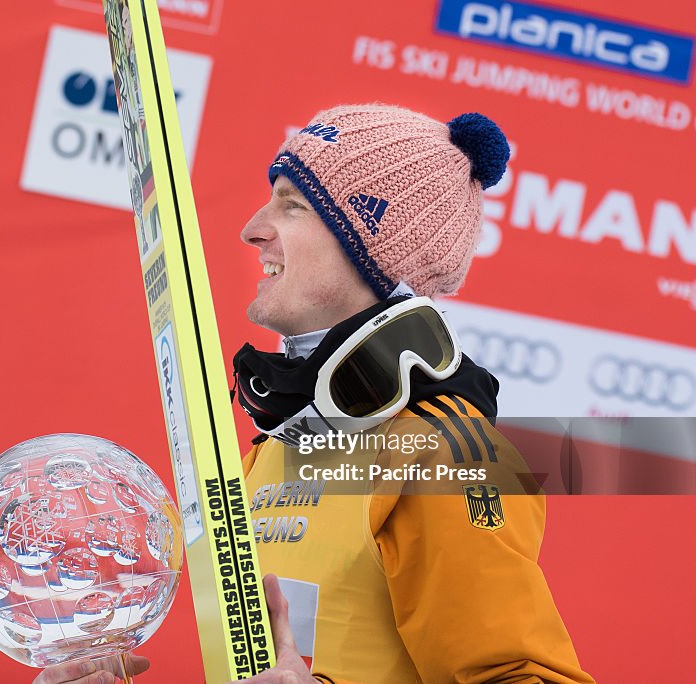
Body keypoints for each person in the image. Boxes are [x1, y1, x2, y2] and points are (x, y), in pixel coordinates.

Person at [35, 104, 594, 684]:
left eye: (293, 205)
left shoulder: (446, 458)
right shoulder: (270, 450)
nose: (252, 228)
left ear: (374, 253)